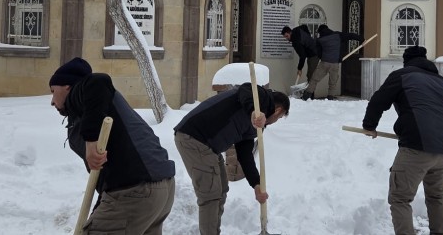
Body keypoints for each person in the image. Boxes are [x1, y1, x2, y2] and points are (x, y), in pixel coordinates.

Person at [48, 57, 176, 235]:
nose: (52, 101)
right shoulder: (90, 108)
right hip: (157, 188)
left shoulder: (85, 92)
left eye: (53, 90)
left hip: (136, 190)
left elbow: (98, 80)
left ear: (67, 86)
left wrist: (91, 141)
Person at [361, 46, 443, 235]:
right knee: (437, 197)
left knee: (400, 199)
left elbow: (378, 101)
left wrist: (369, 126)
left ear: (406, 62)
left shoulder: (402, 75)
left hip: (416, 147)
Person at [174, 83, 290, 235]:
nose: (276, 120)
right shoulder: (259, 96)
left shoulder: (255, 127)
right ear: (278, 110)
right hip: (194, 138)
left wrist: (256, 184)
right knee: (210, 195)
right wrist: (254, 111)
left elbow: (245, 155)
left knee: (221, 189)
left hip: (209, 147)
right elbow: (245, 88)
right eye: (280, 118)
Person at [300, 24, 363, 100]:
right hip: (335, 64)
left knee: (314, 79)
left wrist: (324, 57)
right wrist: (361, 39)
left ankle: (306, 96)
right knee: (333, 82)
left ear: (320, 31)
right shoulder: (338, 35)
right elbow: (351, 35)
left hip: (324, 63)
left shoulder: (319, 40)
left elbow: (319, 53)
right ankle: (330, 97)